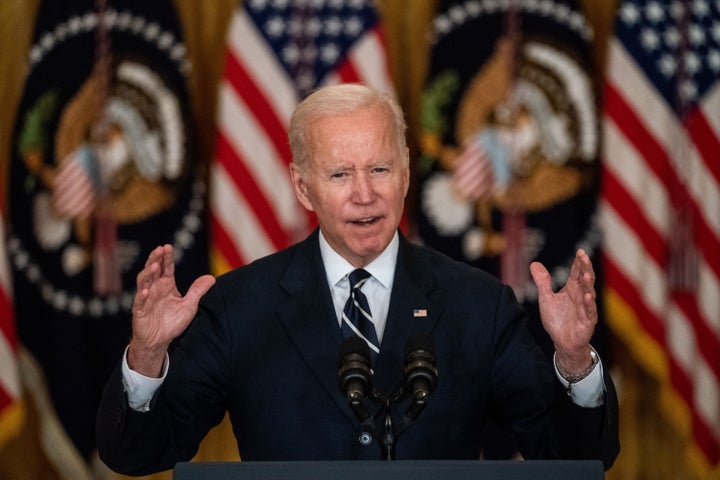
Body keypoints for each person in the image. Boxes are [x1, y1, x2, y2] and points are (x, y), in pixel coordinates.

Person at [96, 83, 619, 475]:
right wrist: (146, 356)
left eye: (381, 169)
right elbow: (138, 454)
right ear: (303, 188)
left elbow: (574, 459)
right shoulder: (240, 307)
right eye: (340, 174)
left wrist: (574, 360)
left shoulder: (478, 304)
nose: (365, 194)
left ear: (408, 172)